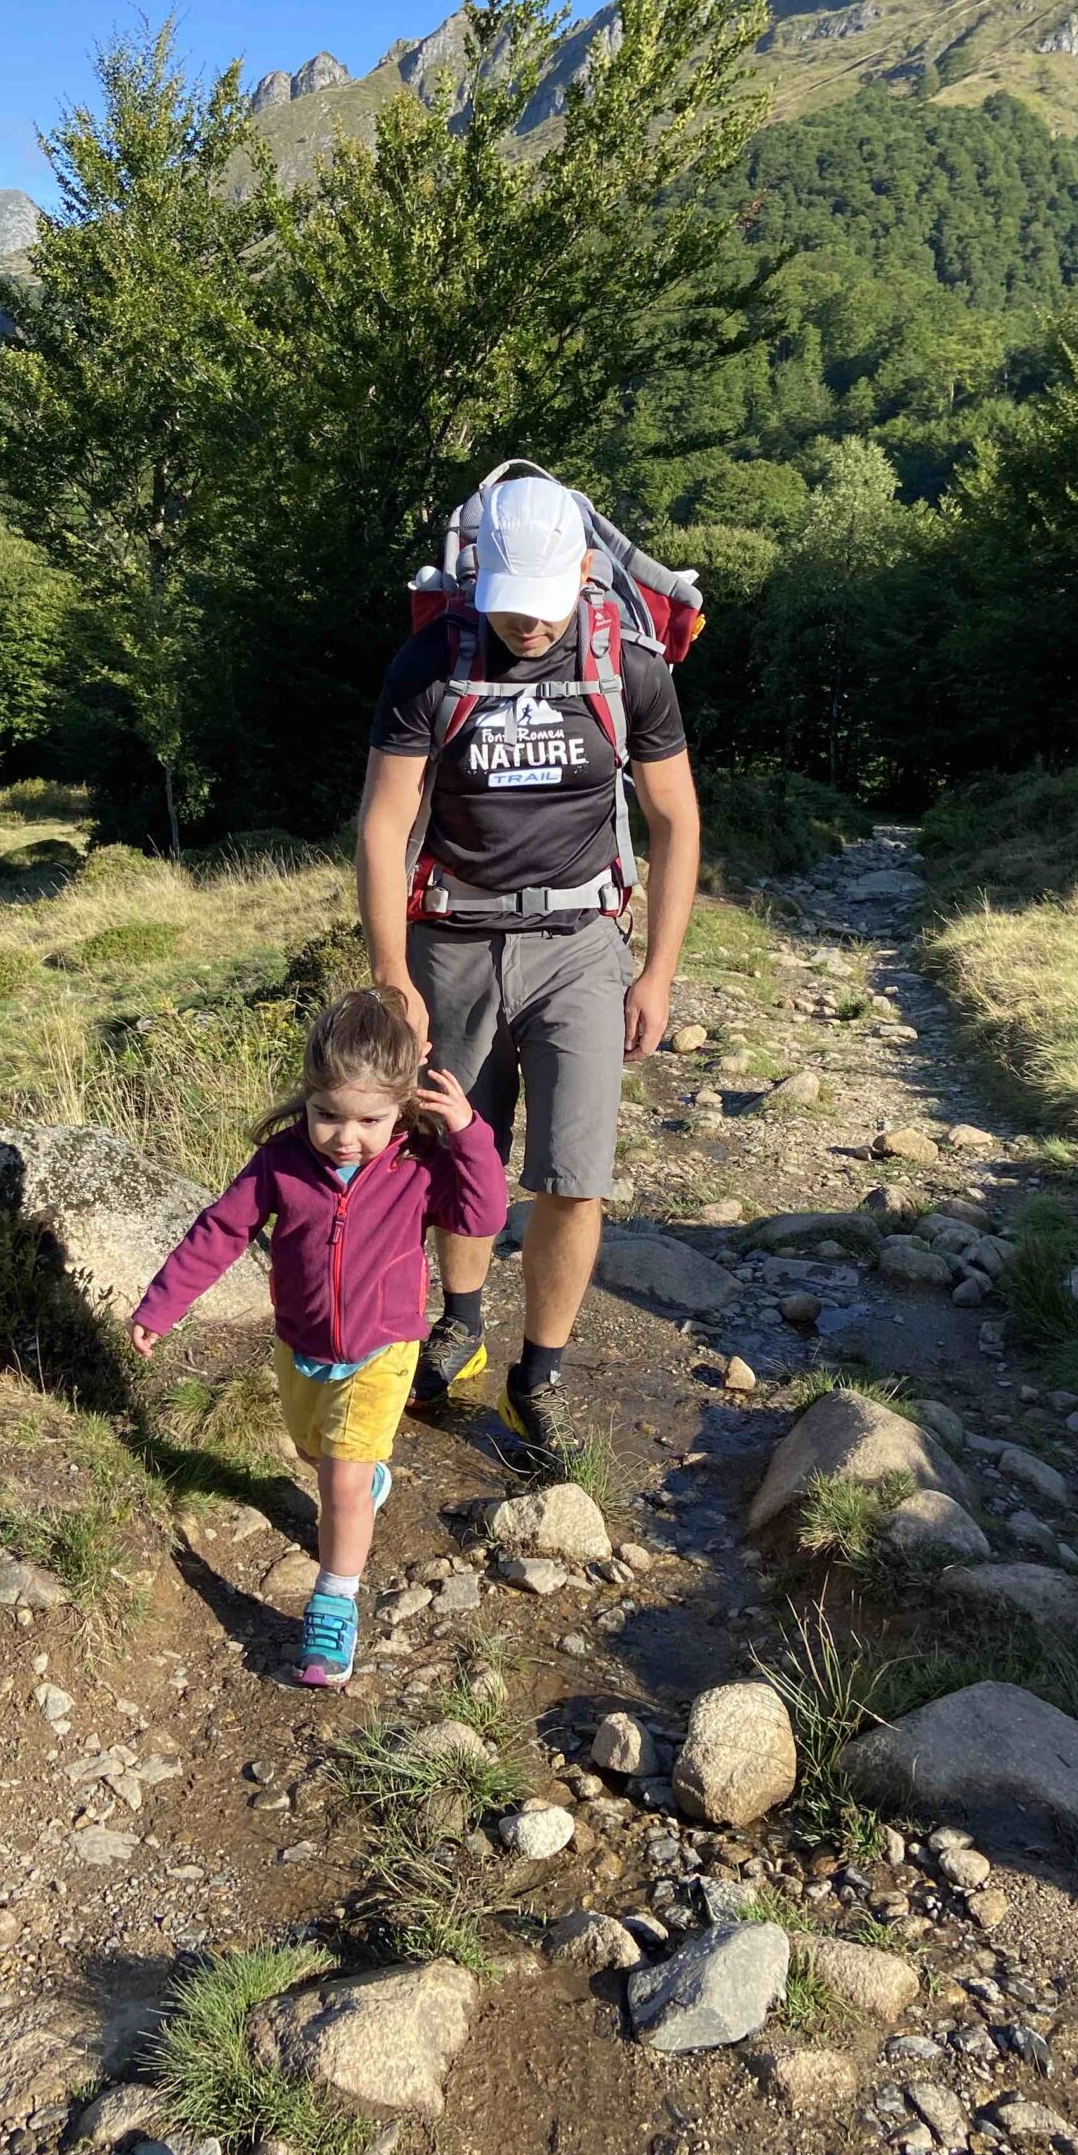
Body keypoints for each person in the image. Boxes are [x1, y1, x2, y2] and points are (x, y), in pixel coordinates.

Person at [356, 470, 701, 1470]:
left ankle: (537, 1374)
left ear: (586, 572)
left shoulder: (628, 665)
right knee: (459, 1154)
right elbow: (383, 824)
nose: (528, 626)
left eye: (544, 607)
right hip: (451, 941)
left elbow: (676, 823)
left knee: (574, 1173)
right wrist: (392, 974)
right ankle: (458, 1324)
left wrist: (658, 974)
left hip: (581, 948)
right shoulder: (432, 663)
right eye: (509, 606)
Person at [130, 987, 508, 1688]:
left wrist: (468, 1135)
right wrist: (162, 1305)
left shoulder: (418, 1166)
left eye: (368, 1119)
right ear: (305, 1098)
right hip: (300, 1342)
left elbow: (482, 1214)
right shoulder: (281, 1162)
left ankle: (334, 1603)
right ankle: (363, 1486)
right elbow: (221, 1230)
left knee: (338, 1480)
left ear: (403, 1108)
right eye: (327, 1114)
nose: (344, 1135)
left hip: (384, 1348)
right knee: (313, 1451)